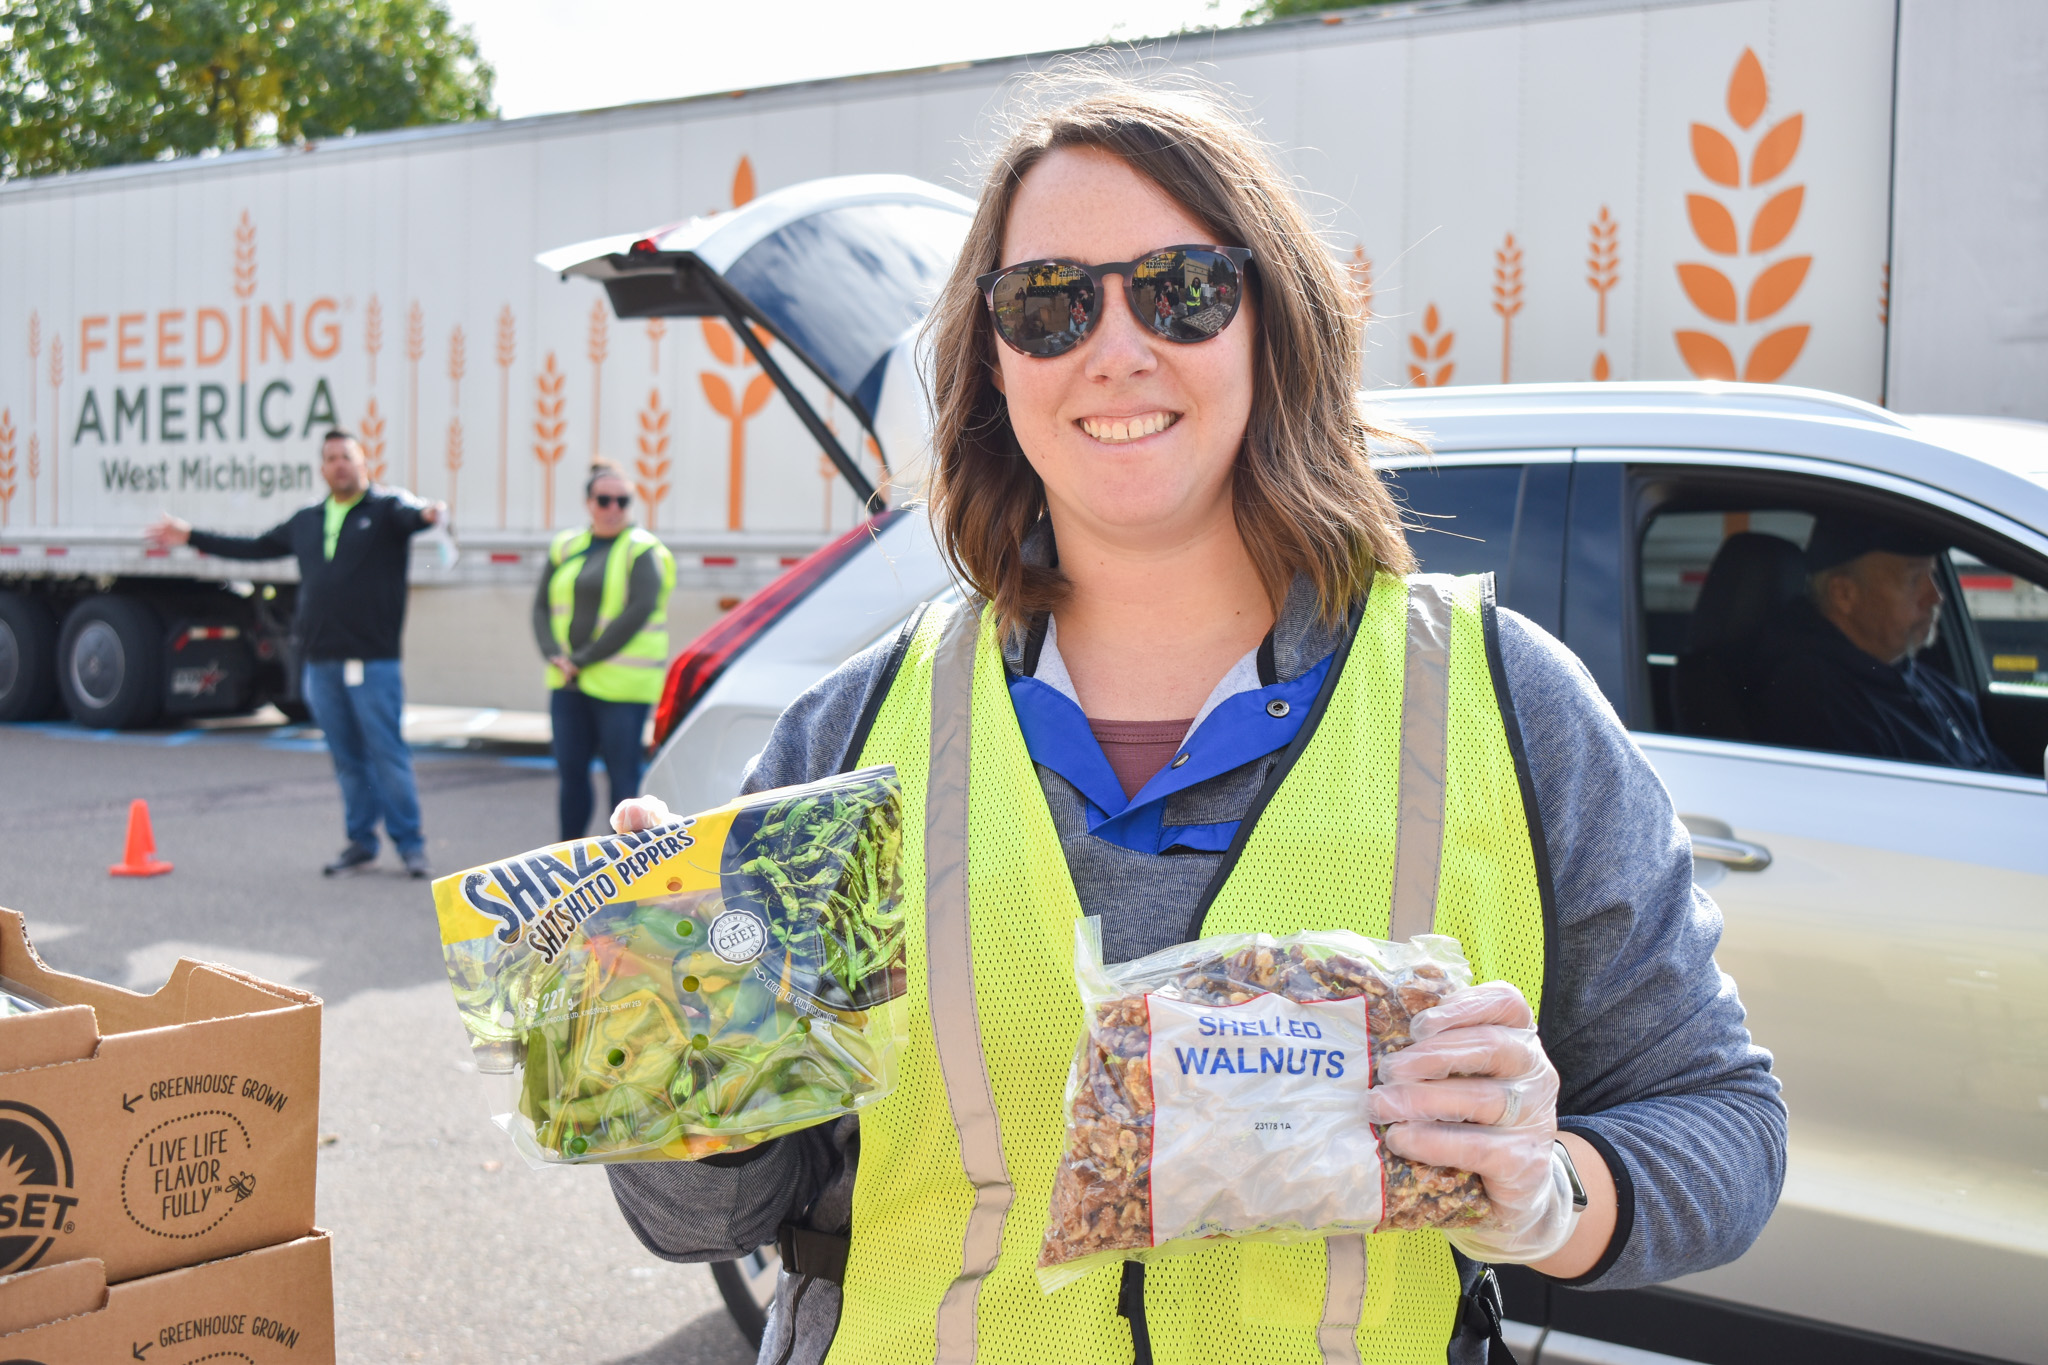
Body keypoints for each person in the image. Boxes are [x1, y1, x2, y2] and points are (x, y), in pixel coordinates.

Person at [607, 78, 1784, 1365]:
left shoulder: (1504, 704)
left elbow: (1723, 1127)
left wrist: (1546, 1186)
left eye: (1180, 289)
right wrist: (670, 1037)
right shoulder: (851, 734)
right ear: (992, 364)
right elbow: (702, 1217)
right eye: (1046, 304)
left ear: (1272, 323)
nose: (1115, 349)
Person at [148, 431, 445, 876]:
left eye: (347, 456)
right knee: (346, 758)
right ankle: (360, 841)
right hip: (321, 663)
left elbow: (415, 517)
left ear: (363, 463)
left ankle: (411, 846)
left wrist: (428, 513)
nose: (339, 464)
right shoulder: (308, 520)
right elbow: (252, 549)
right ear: (322, 468)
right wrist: (192, 535)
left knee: (388, 755)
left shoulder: (385, 511)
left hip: (372, 663)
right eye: (331, 458)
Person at [1757, 513, 2017, 771]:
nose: (1935, 596)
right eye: (1914, 579)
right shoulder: (1819, 702)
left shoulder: (1924, 682)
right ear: (1844, 594)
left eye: (1933, 575)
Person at [531, 460, 675, 839]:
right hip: (569, 682)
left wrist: (580, 660)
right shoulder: (565, 545)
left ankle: (628, 871)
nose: (613, 509)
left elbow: (639, 611)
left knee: (624, 785)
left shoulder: (643, 550)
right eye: (604, 500)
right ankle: (569, 860)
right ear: (588, 503)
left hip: (622, 686)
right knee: (571, 776)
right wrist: (553, 654)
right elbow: (541, 605)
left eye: (622, 501)